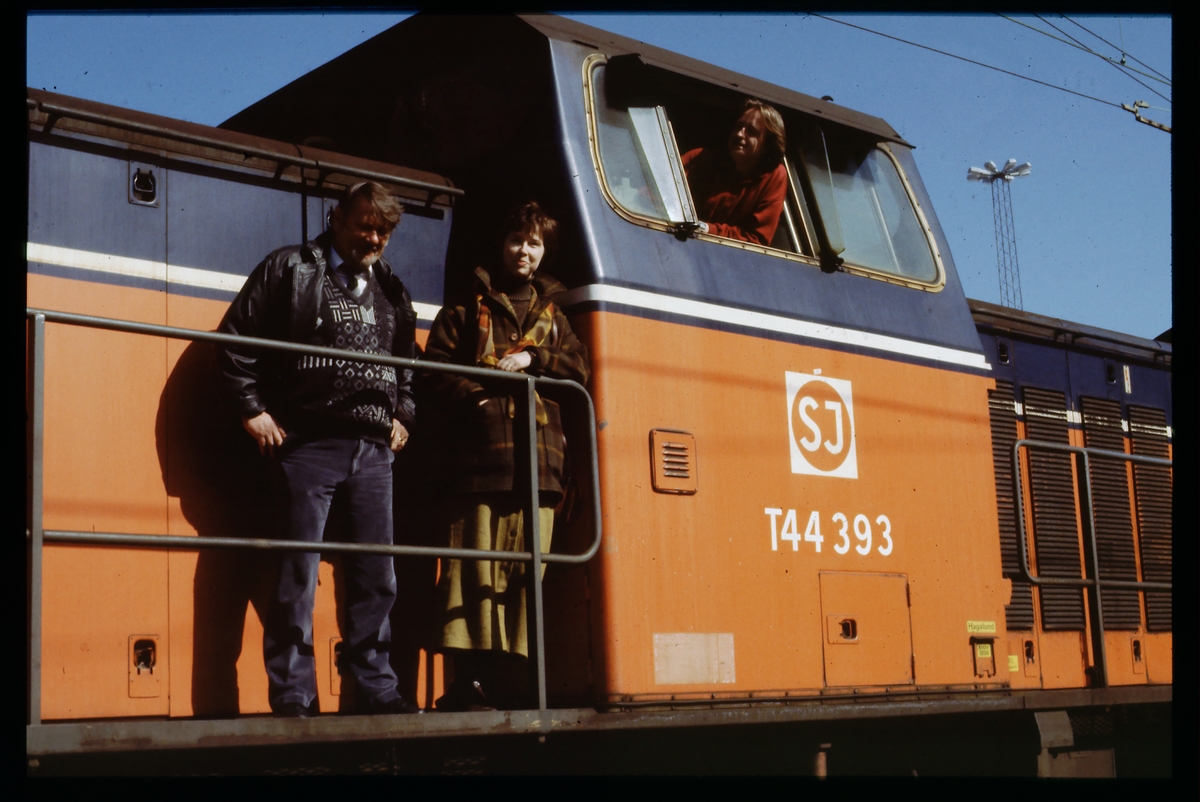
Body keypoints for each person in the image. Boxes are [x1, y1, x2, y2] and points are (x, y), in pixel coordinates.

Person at [217, 181, 421, 718]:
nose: (372, 238)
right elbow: (236, 339)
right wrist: (251, 409)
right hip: (307, 445)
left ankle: (375, 688)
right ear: (336, 218)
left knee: (376, 576)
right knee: (297, 573)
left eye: (383, 231)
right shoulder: (290, 268)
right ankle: (293, 695)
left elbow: (408, 364)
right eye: (364, 225)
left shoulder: (392, 289)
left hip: (373, 453)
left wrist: (403, 413)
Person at [422, 201, 590, 711]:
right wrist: (476, 397)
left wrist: (533, 358)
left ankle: (496, 684)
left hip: (538, 466)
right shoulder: (463, 308)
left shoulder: (556, 317)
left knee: (520, 578)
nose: (524, 251)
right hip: (479, 463)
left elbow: (580, 369)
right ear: (502, 244)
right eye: (517, 240)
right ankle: (465, 684)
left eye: (534, 243)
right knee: (472, 574)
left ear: (544, 252)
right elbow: (435, 369)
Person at [681, 98, 788, 246]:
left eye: (751, 132)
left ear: (767, 145)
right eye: (738, 127)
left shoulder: (774, 176)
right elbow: (656, 192)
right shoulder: (700, 158)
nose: (739, 134)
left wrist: (706, 229)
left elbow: (756, 239)